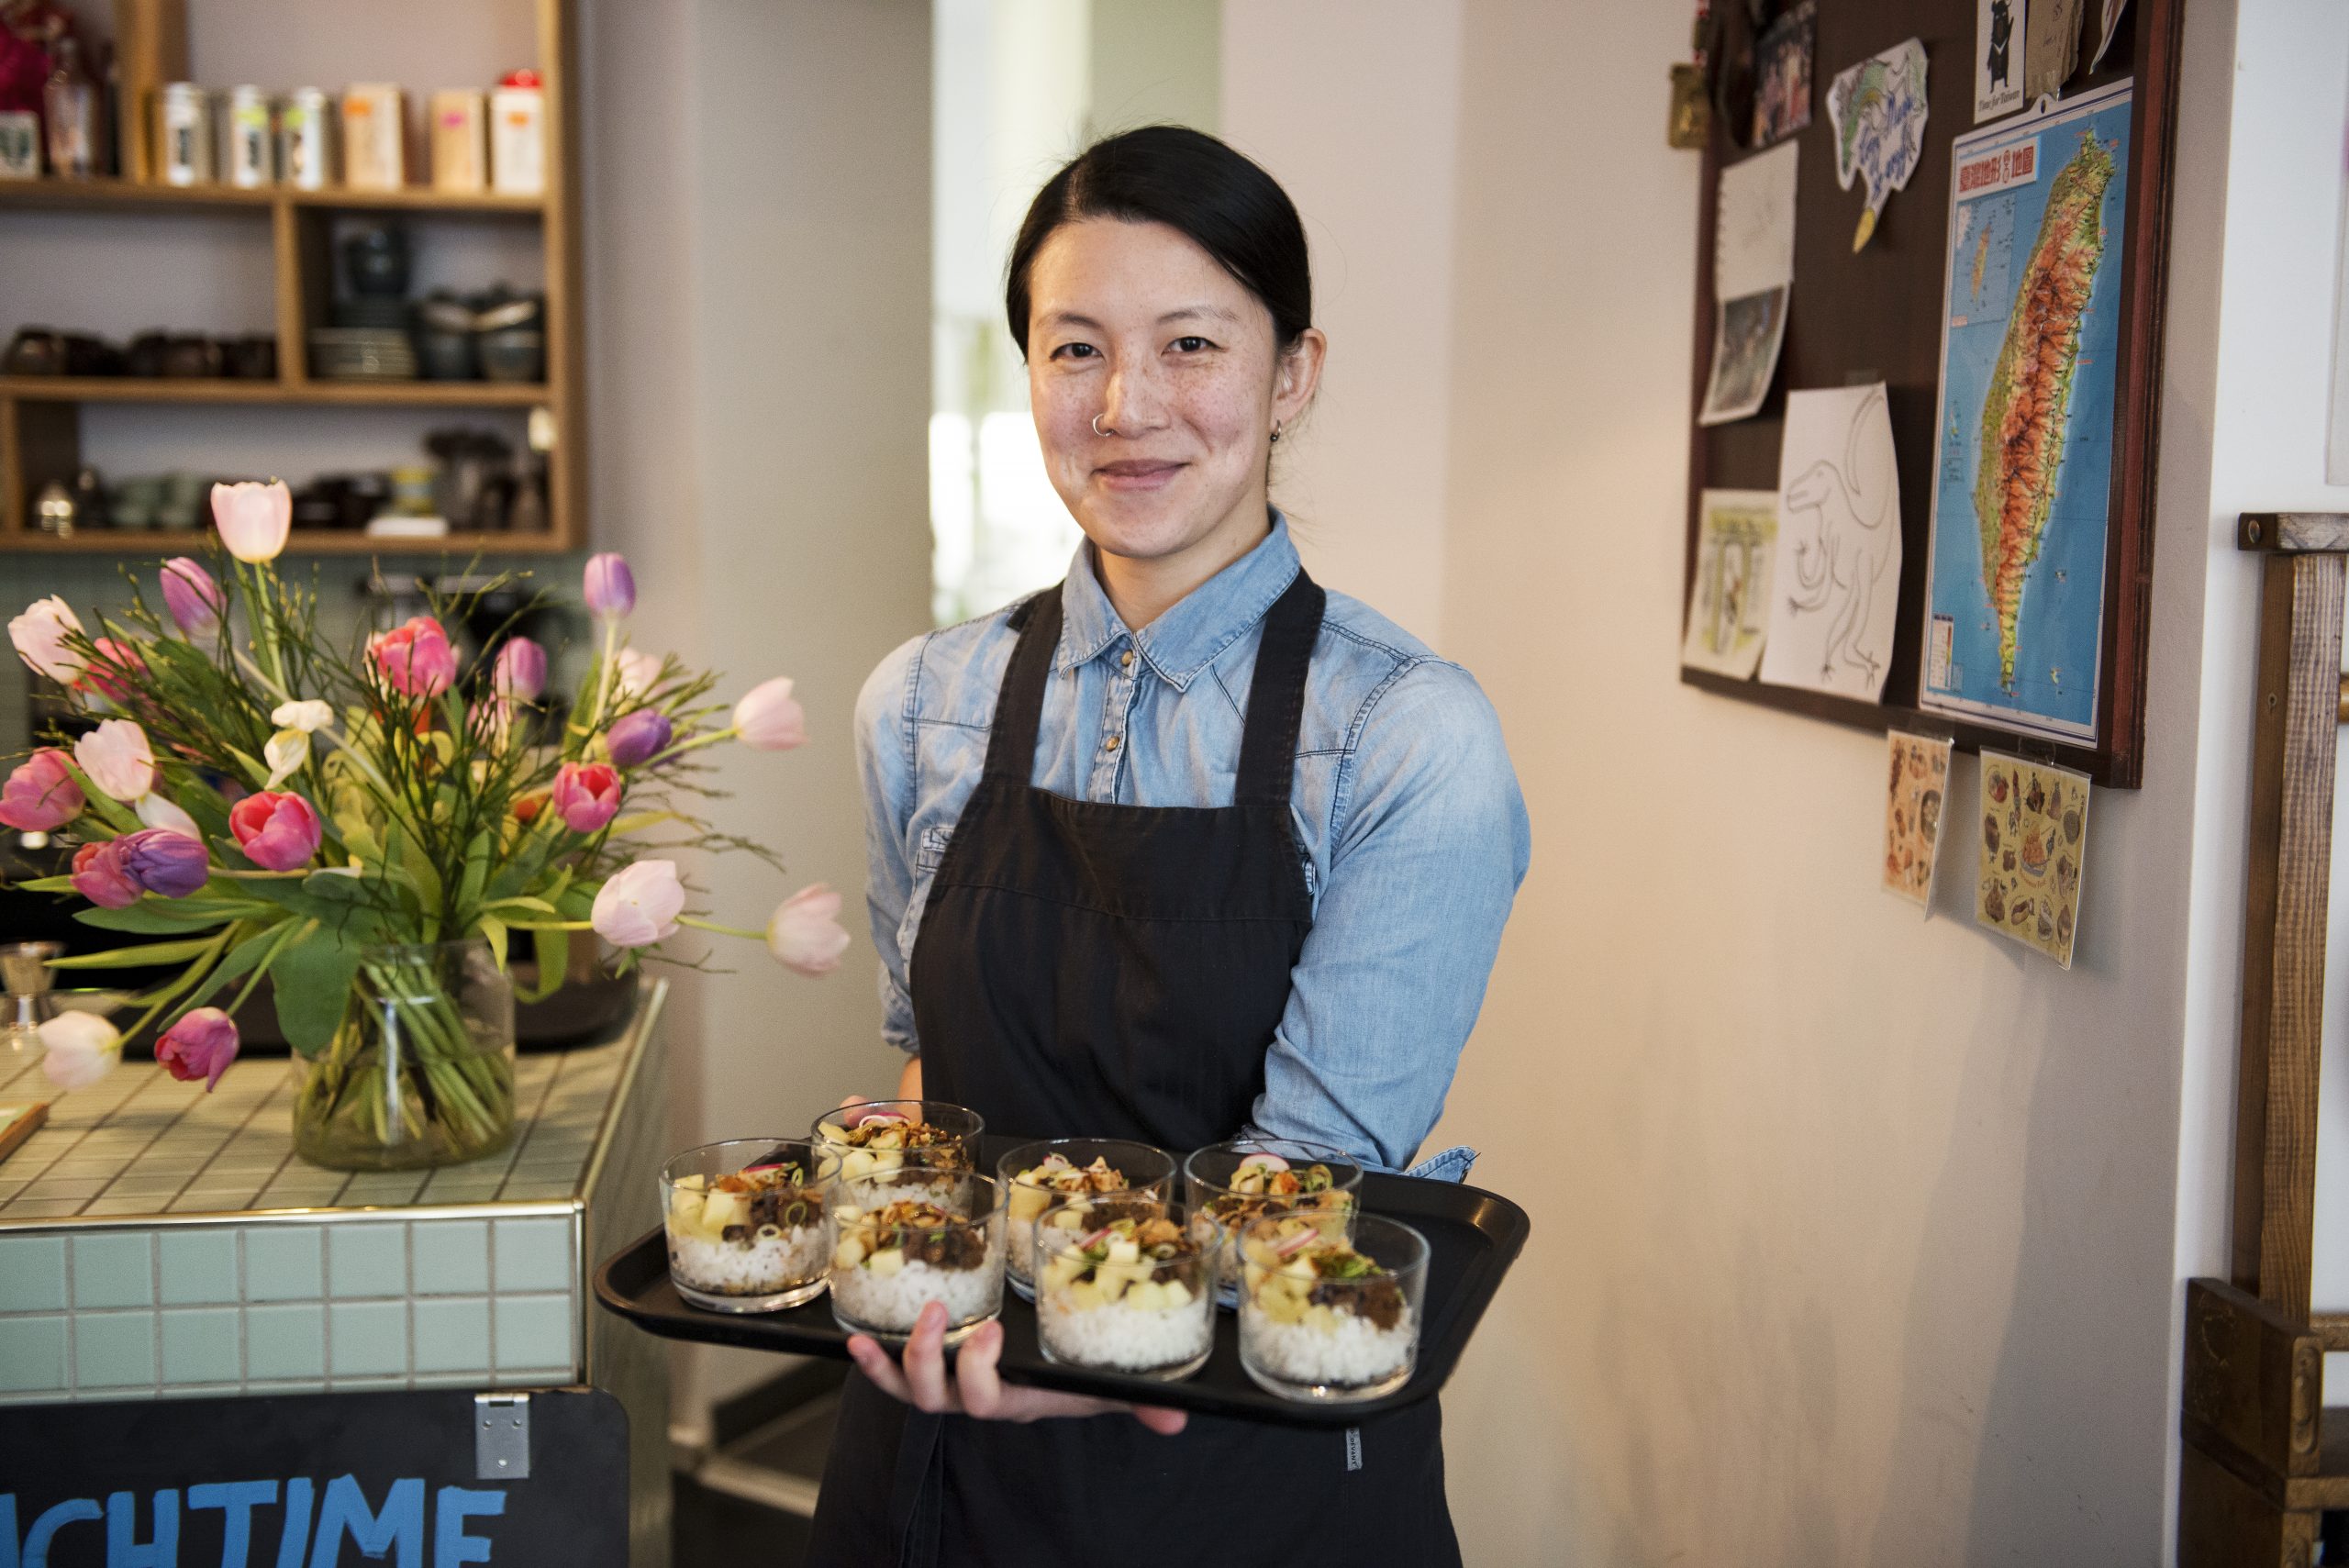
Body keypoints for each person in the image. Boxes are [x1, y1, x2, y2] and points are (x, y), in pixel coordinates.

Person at [807, 125, 1530, 1567]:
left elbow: (1300, 1191)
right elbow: (937, 1077)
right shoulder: (923, 706)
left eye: (1191, 342)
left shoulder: (1408, 737)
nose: (1127, 405)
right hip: (944, 1453)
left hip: (1254, 1478)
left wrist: (1056, 1344)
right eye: (1074, 349)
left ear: (1293, 373)